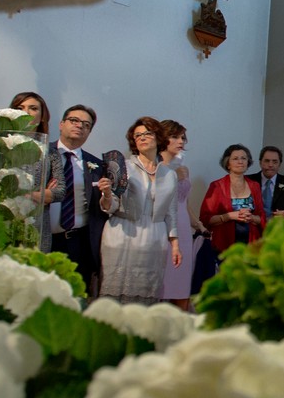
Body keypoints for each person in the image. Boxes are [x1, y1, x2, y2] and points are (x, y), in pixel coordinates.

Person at [97, 117, 183, 305]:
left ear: (158, 138)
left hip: (155, 236)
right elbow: (111, 206)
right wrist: (107, 194)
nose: (142, 137)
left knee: (147, 294)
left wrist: (175, 244)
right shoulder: (124, 167)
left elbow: (171, 211)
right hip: (123, 231)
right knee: (115, 294)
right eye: (137, 135)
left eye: (147, 133)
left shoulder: (169, 174)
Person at [48, 104, 105, 292]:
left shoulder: (96, 165)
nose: (80, 126)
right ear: (61, 124)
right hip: (45, 240)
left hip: (79, 243)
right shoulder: (41, 153)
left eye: (86, 125)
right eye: (74, 120)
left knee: (75, 298)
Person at [158, 120, 205, 308]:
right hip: (163, 228)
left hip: (184, 230)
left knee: (182, 286)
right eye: (175, 137)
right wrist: (173, 177)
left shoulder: (184, 168)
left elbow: (184, 203)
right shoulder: (155, 167)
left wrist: (198, 224)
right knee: (162, 284)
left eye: (183, 138)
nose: (181, 141)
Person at [8, 91, 61, 253]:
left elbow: (60, 191)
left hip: (37, 225)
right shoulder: (2, 146)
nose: (26, 112)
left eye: (33, 108)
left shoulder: (51, 152)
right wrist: (41, 194)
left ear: (42, 116)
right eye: (20, 108)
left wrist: (27, 195)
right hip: (6, 220)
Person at [201, 144, 267, 253]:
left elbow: (261, 216)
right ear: (228, 164)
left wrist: (251, 217)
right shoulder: (217, 186)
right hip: (224, 244)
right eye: (235, 159)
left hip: (251, 244)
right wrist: (230, 216)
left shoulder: (255, 186)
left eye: (243, 158)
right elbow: (205, 218)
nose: (240, 161)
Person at [245, 145, 284, 216]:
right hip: (253, 221)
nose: (270, 165)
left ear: (279, 164)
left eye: (275, 162)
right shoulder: (248, 181)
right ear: (260, 162)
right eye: (267, 161)